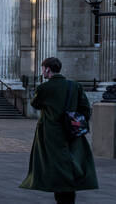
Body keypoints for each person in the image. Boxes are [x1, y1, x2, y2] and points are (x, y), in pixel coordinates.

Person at [20, 57, 98, 203]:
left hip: (52, 134)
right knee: (71, 164)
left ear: (48, 69)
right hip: (73, 132)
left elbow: (35, 104)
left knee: (56, 167)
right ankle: (69, 197)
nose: (42, 71)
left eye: (43, 69)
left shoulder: (44, 88)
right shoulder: (74, 86)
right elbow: (86, 109)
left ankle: (62, 198)